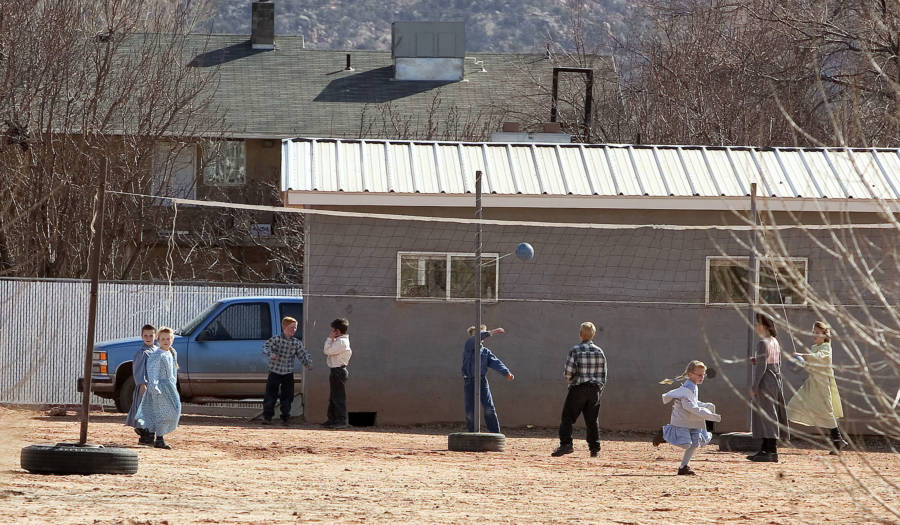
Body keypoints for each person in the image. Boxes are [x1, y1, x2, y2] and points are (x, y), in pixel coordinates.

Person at [787, 321, 848, 453]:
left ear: (825, 335)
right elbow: (811, 365)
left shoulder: (826, 347)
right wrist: (800, 362)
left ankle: (838, 440)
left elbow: (818, 358)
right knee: (794, 404)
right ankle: (838, 440)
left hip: (822, 384)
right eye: (813, 331)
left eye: (817, 332)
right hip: (812, 382)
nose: (814, 334)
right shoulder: (814, 347)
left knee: (826, 410)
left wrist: (802, 356)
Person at [653, 360, 722, 475]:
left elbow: (693, 402)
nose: (702, 377)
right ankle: (664, 433)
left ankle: (683, 467)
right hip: (683, 419)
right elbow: (688, 406)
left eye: (703, 375)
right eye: (699, 375)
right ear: (690, 374)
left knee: (695, 443)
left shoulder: (693, 386)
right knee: (686, 443)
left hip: (692, 420)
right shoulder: (688, 387)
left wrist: (705, 407)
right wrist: (707, 414)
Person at [551, 321, 607, 457]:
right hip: (594, 390)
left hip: (578, 388)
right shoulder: (599, 351)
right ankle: (595, 450)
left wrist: (571, 382)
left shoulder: (575, 350)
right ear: (593, 335)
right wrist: (598, 389)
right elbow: (604, 374)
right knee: (592, 420)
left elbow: (568, 372)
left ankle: (566, 445)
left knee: (567, 418)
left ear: (580, 334)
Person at [748, 313, 789, 462]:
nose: (756, 326)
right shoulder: (774, 341)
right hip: (775, 379)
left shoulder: (762, 343)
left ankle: (771, 450)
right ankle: (765, 448)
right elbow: (775, 362)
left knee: (767, 416)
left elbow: (762, 367)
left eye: (758, 323)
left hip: (765, 381)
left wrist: (754, 385)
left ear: (764, 326)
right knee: (770, 414)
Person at [135, 326, 182, 449]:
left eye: (168, 339)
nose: (166, 341)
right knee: (162, 413)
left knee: (174, 410)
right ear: (158, 340)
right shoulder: (157, 355)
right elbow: (152, 371)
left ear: (172, 339)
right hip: (160, 388)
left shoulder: (172, 352)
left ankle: (150, 432)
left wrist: (173, 384)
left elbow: (173, 372)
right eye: (163, 339)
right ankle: (158, 438)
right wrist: (154, 386)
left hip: (169, 387)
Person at [461, 325, 514, 434]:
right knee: (470, 409)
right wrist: (493, 332)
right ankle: (471, 433)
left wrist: (506, 373)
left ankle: (495, 433)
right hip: (469, 381)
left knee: (489, 407)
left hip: (481, 380)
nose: (482, 337)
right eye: (479, 335)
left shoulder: (485, 351)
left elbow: (496, 362)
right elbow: (476, 339)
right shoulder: (469, 346)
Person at [261, 316, 312, 426]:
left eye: (295, 328)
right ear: (284, 327)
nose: (293, 330)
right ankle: (267, 417)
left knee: (287, 396)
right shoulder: (276, 339)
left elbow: (302, 354)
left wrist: (308, 363)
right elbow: (266, 347)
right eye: (291, 327)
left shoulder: (296, 343)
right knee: (270, 395)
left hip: (288, 372)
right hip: (275, 371)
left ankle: (285, 418)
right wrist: (272, 354)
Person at [125, 324, 158, 446]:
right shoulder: (142, 353)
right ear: (142, 336)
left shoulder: (157, 351)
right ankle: (143, 433)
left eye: (151, 335)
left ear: (155, 336)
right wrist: (142, 383)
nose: (148, 338)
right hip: (145, 386)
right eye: (146, 335)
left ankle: (150, 434)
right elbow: (138, 369)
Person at [323, 318, 352, 428]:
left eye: (333, 330)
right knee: (333, 396)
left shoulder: (341, 342)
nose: (331, 332)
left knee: (338, 397)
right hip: (335, 370)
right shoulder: (339, 341)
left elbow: (327, 351)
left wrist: (329, 339)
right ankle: (332, 419)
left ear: (337, 331)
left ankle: (341, 420)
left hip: (338, 371)